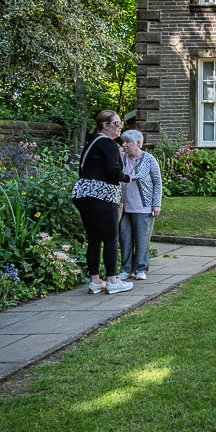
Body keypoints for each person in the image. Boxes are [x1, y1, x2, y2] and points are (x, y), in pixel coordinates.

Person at [71, 111, 133, 294]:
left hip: (83, 195)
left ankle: (95, 282)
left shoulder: (91, 143)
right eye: (116, 124)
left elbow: (82, 169)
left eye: (121, 124)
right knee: (111, 238)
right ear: (105, 125)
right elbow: (113, 171)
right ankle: (113, 281)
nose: (120, 127)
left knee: (94, 239)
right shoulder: (108, 143)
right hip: (103, 195)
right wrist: (126, 177)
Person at [117, 130, 163, 282]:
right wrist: (115, 155)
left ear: (137, 143)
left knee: (142, 240)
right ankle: (125, 269)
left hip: (143, 206)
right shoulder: (121, 157)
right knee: (125, 239)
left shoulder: (149, 159)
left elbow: (157, 182)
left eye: (127, 142)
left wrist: (156, 204)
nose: (124, 144)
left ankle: (141, 269)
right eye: (123, 141)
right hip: (123, 206)